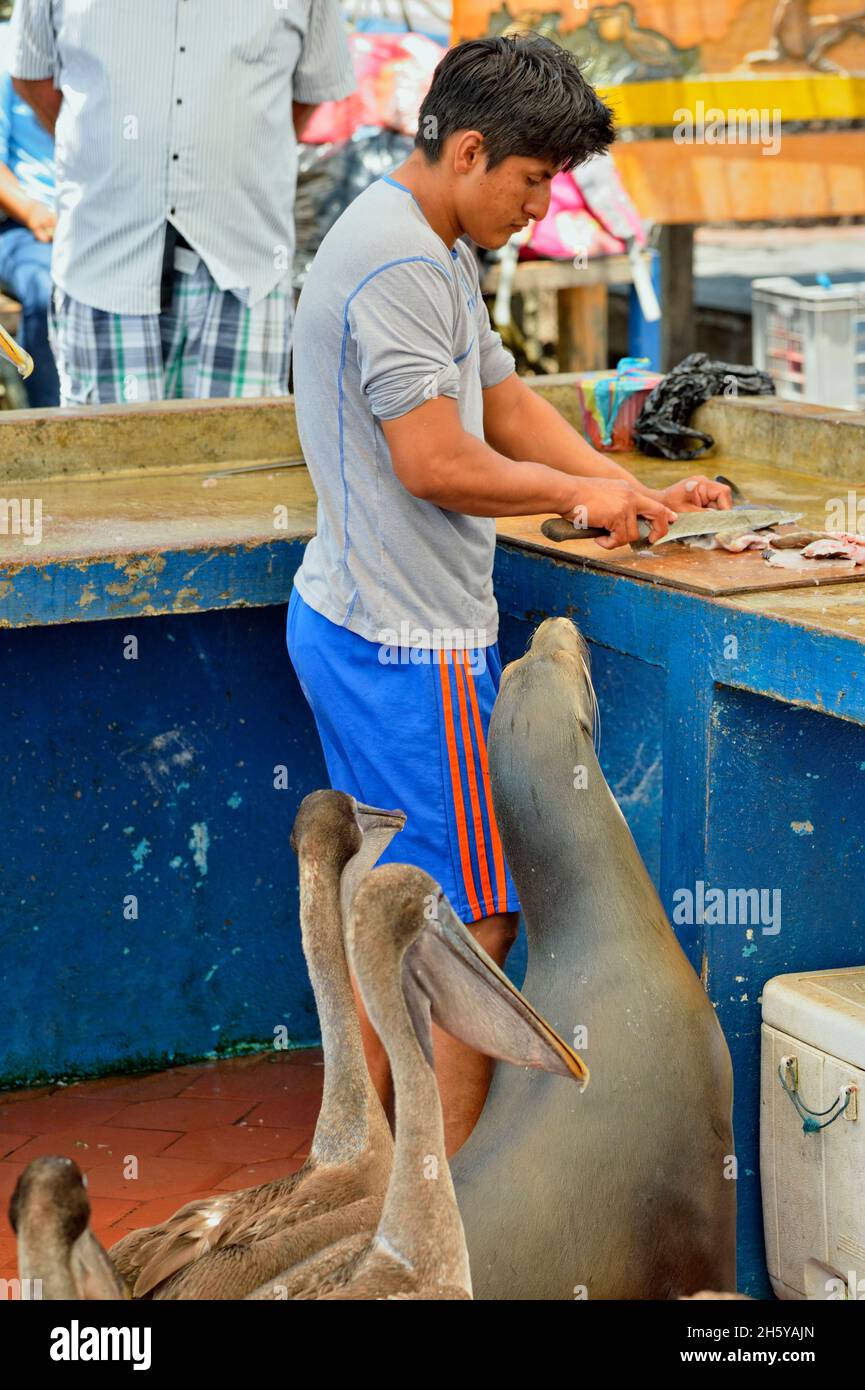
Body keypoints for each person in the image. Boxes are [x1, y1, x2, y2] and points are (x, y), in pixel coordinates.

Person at [287, 34, 733, 1153]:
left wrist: (625, 485)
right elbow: (436, 461)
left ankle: (368, 1171)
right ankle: (445, 1218)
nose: (538, 211)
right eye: (532, 183)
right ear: (471, 150)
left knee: (393, 917)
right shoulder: (397, 264)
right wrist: (572, 503)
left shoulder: (425, 243)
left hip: (359, 625)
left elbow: (505, 402)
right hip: (410, 646)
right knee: (467, 926)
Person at [8, 1, 354, 406]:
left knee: (235, 462)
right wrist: (113, 155)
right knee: (109, 463)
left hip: (245, 268)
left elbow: (308, 91)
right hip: (104, 261)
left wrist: (234, 154)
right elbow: (33, 76)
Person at [0, 4, 59, 407]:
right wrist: (36, 212)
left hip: (107, 223)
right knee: (48, 287)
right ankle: (49, 419)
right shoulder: (8, 49)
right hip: (28, 227)